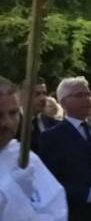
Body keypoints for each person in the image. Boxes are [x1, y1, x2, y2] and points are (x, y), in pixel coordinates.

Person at [40, 77, 91, 221]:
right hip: (75, 213)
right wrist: (84, 194)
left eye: (88, 94)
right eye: (79, 95)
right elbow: (48, 183)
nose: (87, 99)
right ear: (63, 102)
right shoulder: (51, 138)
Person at [0, 76, 68, 220]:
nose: (8, 123)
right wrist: (8, 194)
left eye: (13, 113)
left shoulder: (24, 157)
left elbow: (55, 209)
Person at [15, 78, 59, 155]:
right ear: (21, 97)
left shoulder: (54, 125)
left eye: (44, 93)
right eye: (37, 94)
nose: (43, 98)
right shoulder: (11, 126)